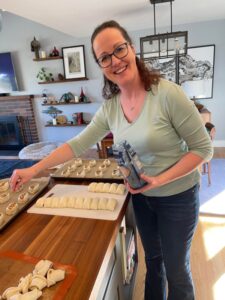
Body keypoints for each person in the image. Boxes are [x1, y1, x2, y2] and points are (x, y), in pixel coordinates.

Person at [11, 20, 213, 300]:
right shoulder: (111, 107)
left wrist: (160, 180)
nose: (115, 61)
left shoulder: (168, 94)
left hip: (177, 197)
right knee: (154, 263)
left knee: (177, 270)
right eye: (105, 57)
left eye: (119, 50)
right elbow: (77, 143)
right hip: (141, 198)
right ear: (100, 65)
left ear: (131, 48)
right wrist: (33, 169)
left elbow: (203, 149)